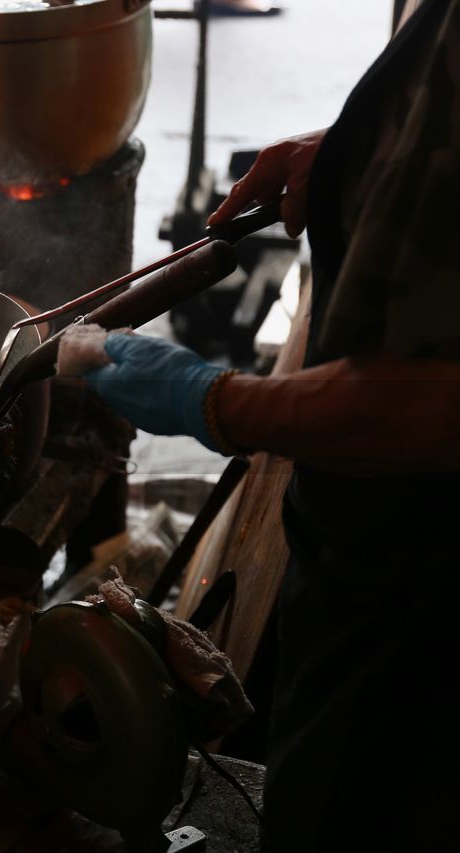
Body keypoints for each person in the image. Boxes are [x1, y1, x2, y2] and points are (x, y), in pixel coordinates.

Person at [80, 0, 460, 849]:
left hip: (426, 593)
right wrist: (359, 148)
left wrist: (214, 402)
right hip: (360, 546)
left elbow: (440, 409)